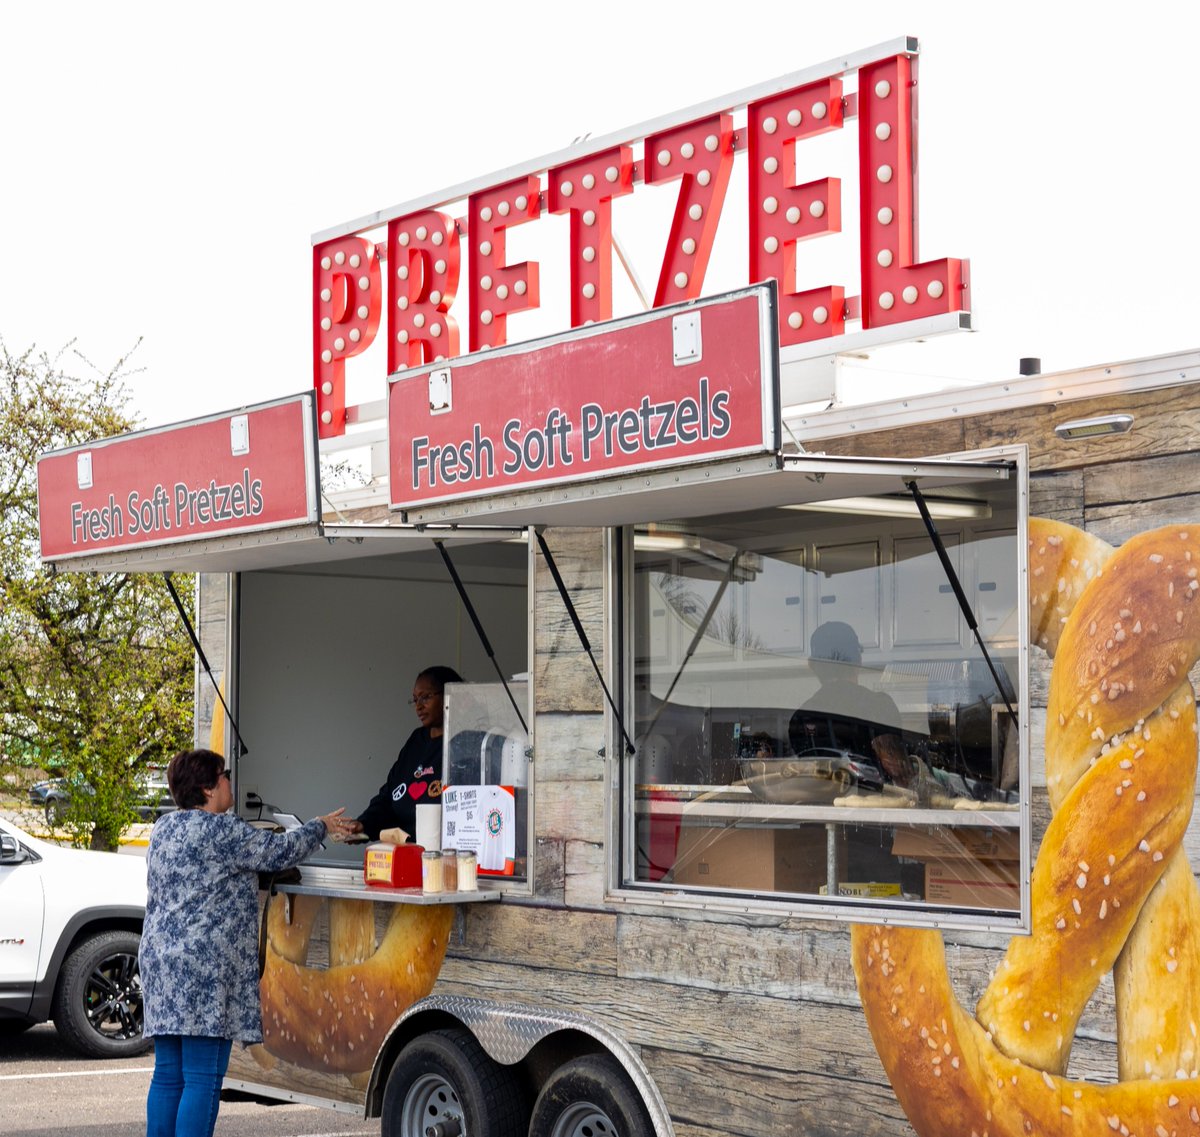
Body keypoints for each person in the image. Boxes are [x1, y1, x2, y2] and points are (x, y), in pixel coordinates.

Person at [141, 748, 355, 1137]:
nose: (229, 782)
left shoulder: (164, 829)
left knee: (169, 1075)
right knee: (203, 1077)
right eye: (223, 776)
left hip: (161, 964)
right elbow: (280, 851)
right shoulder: (223, 831)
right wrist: (321, 825)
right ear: (207, 789)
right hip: (204, 971)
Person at [345, 665, 463, 842]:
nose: (419, 707)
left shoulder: (466, 743)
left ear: (449, 695)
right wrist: (364, 824)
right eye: (415, 700)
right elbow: (389, 794)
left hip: (446, 856)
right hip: (406, 853)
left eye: (425, 697)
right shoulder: (416, 741)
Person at [788, 621, 913, 785]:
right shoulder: (880, 708)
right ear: (859, 660)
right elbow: (899, 773)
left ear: (813, 666)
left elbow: (802, 776)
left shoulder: (800, 718)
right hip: (875, 807)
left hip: (817, 808)